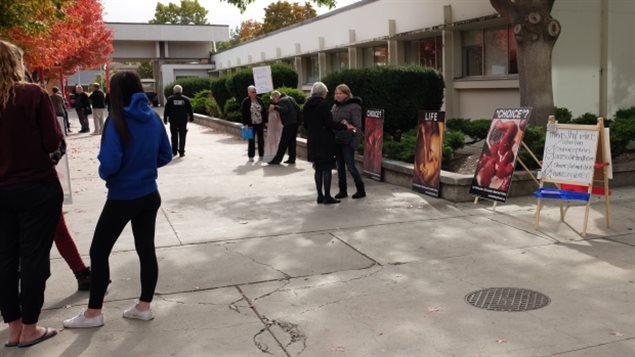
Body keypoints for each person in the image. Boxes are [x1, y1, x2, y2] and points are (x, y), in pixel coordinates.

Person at [63, 71, 172, 329]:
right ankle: (144, 307)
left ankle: (93, 313)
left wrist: (106, 173)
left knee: (99, 251)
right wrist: (145, 166)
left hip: (123, 196)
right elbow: (165, 155)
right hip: (149, 194)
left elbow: (110, 163)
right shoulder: (153, 118)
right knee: (146, 249)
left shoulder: (117, 120)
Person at [0, 40, 62, 348]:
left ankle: (12, 327)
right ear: (16, 63)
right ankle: (30, 327)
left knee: (6, 258)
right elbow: (53, 142)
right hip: (36, 186)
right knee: (34, 257)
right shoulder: (32, 95)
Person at [302, 82, 351, 204]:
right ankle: (327, 196)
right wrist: (344, 126)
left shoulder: (307, 104)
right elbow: (329, 123)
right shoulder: (324, 104)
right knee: (327, 168)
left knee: (318, 168)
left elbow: (305, 124)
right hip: (325, 141)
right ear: (323, 93)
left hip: (313, 140)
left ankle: (320, 195)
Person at [332, 84, 366, 199]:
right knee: (340, 167)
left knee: (351, 166)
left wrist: (354, 143)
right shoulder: (334, 106)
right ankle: (343, 191)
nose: (337, 95)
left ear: (347, 94)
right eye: (336, 93)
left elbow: (358, 127)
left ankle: (361, 190)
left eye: (340, 93)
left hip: (348, 142)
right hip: (337, 141)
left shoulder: (354, 107)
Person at [268, 90, 300, 165]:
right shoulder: (290, 98)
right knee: (292, 142)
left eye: (273, 99)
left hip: (288, 124)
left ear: (276, 96)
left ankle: (277, 159)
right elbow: (298, 108)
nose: (274, 101)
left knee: (283, 142)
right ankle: (292, 158)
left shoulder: (281, 100)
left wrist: (275, 107)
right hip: (295, 123)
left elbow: (285, 109)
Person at [164, 84, 194, 157]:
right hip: (183, 120)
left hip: (173, 120)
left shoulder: (170, 99)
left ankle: (174, 151)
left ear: (174, 91)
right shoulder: (186, 99)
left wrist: (165, 119)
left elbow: (166, 110)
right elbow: (190, 110)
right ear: (181, 91)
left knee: (174, 136)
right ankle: (181, 152)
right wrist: (191, 118)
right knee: (182, 136)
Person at [241, 85, 267, 161]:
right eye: (252, 92)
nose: (254, 93)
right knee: (251, 140)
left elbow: (264, 111)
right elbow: (244, 113)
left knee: (261, 139)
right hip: (251, 123)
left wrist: (265, 122)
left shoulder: (259, 100)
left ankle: (261, 155)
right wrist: (245, 124)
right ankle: (251, 156)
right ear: (249, 93)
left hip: (260, 123)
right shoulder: (246, 101)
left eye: (255, 92)